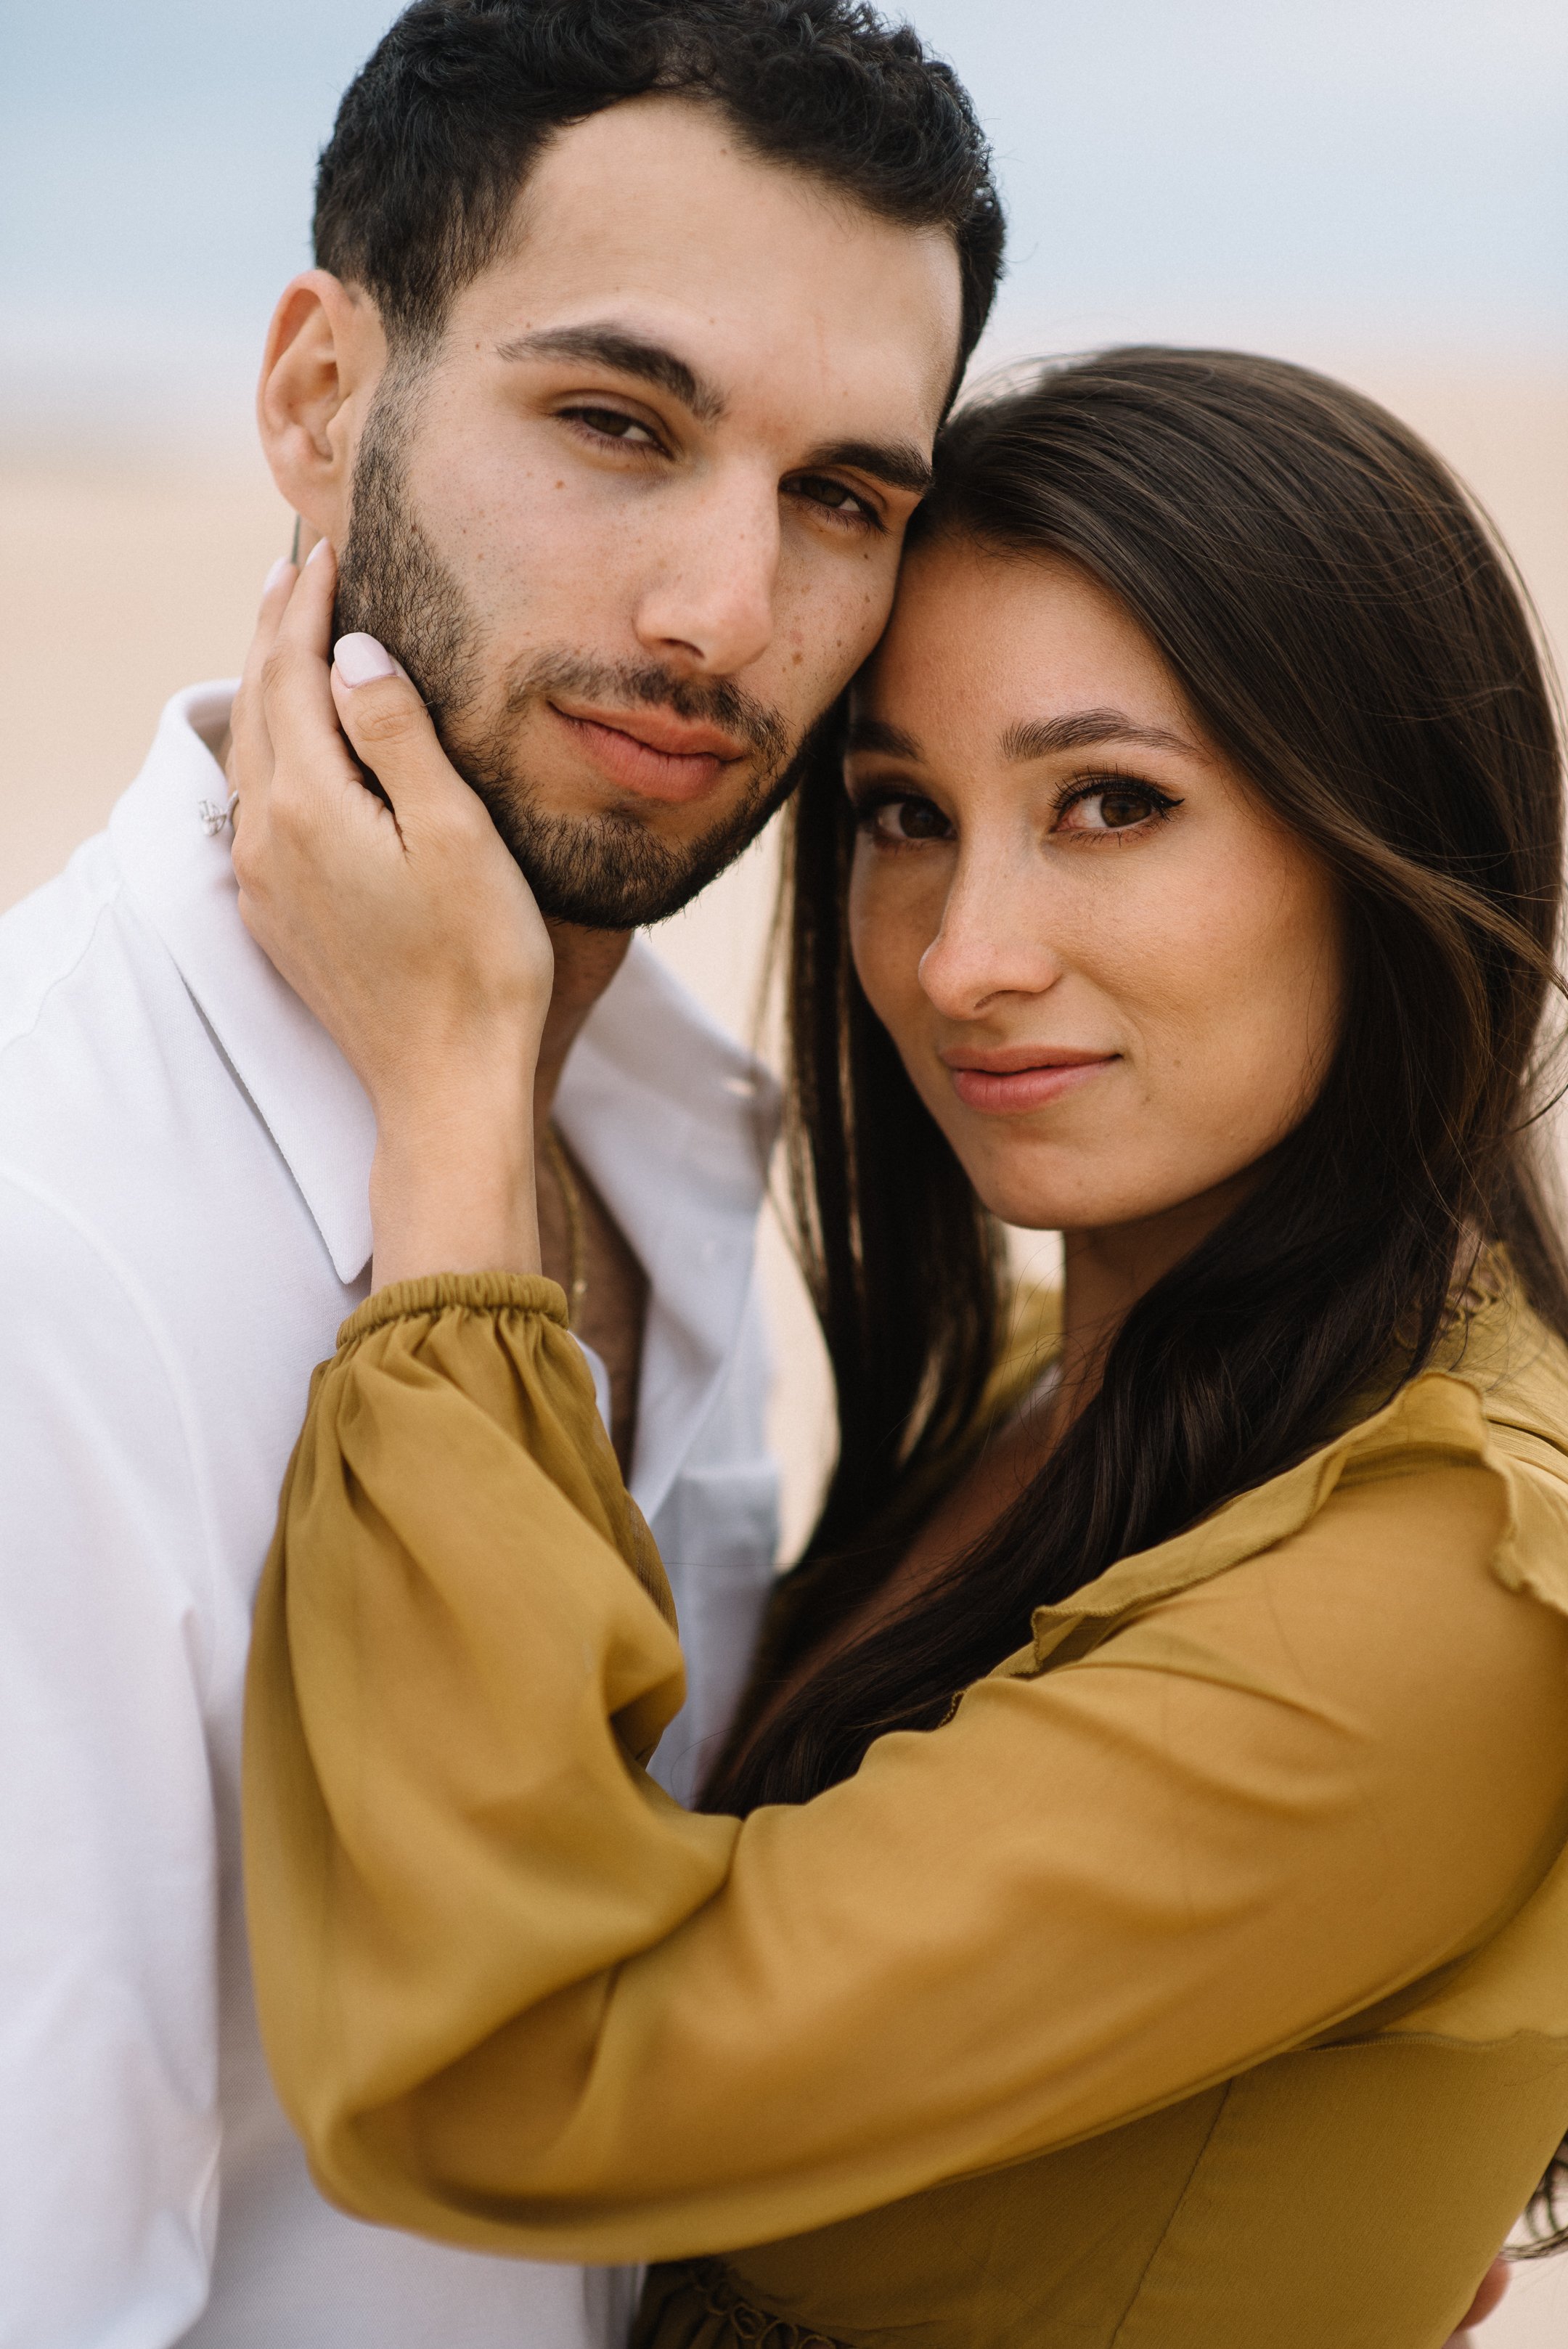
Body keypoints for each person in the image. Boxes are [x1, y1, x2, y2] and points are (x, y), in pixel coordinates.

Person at [235, 346, 1568, 2348]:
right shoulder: (1061, 1388)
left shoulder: (1451, 1571)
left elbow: (516, 2066)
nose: (965, 958)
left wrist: (453, 1108)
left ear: (1381, 836)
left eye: (1113, 803)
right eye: (902, 814)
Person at [0, 4, 1002, 2342]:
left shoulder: (655, 1120)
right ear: (318, 399)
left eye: (844, 495)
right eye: (615, 425)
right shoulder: (48, 1232)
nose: (724, 617)